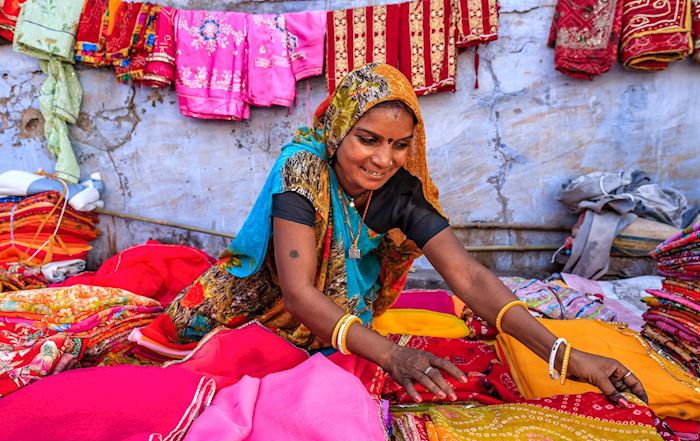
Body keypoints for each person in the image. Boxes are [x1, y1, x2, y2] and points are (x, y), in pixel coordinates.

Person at [164, 63, 647, 405]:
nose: (383, 159)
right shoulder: (303, 171)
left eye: (399, 145)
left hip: (326, 335)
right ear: (338, 130)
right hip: (239, 317)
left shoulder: (400, 192)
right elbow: (297, 292)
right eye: (368, 140)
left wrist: (566, 354)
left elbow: (469, 277)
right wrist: (392, 354)